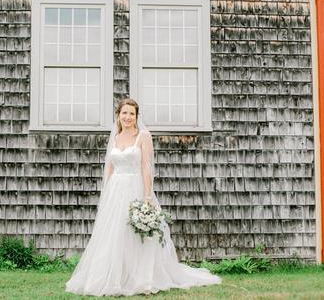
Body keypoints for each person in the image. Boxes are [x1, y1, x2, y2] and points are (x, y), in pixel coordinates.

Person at [65, 98, 221, 296]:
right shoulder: (115, 137)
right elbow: (110, 169)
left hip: (135, 188)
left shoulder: (143, 136)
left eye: (132, 114)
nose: (128, 117)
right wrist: (106, 196)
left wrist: (147, 196)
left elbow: (146, 166)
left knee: (137, 234)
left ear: (137, 116)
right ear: (118, 115)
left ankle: (142, 278)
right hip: (115, 191)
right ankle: (115, 276)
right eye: (125, 113)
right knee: (114, 234)